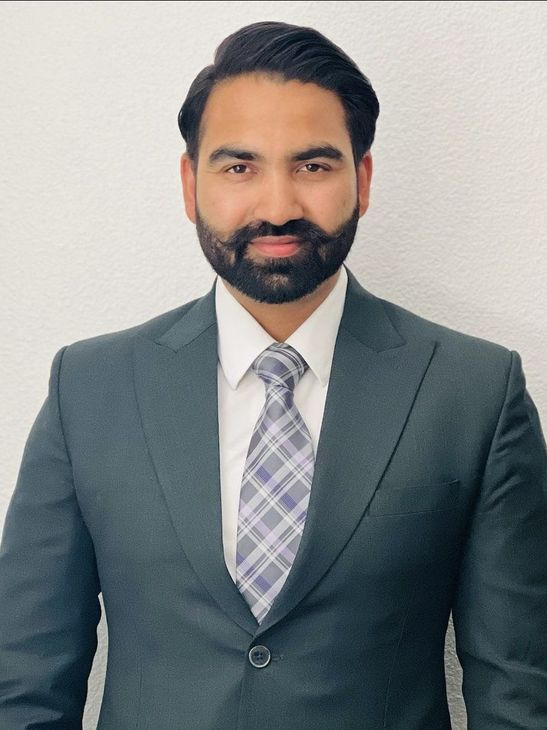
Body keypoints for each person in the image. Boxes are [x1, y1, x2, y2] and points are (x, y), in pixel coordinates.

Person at [0, 20, 546, 730]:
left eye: (314, 166)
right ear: (190, 182)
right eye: (239, 167)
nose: (279, 206)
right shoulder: (89, 387)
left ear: (364, 178)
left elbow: (519, 694)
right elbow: (24, 683)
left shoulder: (474, 391)